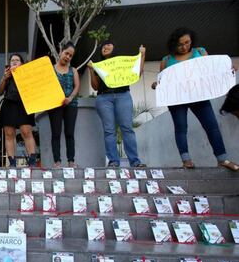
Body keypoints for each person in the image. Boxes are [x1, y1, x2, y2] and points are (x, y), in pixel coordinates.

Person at [153, 27, 238, 171]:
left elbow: (211, 72)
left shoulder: (200, 52)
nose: (184, 47)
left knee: (212, 126)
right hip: (177, 99)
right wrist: (157, 85)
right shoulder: (166, 60)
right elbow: (163, 81)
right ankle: (186, 161)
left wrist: (227, 71)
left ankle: (222, 159)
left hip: (200, 96)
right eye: (180, 45)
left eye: (187, 42)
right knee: (181, 128)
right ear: (174, 44)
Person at [88, 40, 146, 168]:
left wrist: (142, 56)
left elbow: (137, 73)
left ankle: (135, 161)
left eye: (108, 44)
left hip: (123, 95)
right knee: (109, 131)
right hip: (104, 97)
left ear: (115, 48)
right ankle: (113, 161)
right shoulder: (99, 65)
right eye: (103, 46)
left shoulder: (122, 62)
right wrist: (91, 71)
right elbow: (96, 86)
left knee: (127, 128)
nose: (105, 47)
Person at [0, 53, 37, 167]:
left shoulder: (27, 75)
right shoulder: (7, 76)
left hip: (24, 105)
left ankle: (32, 161)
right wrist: (5, 78)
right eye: (12, 60)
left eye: (17, 60)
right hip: (8, 105)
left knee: (26, 132)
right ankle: (12, 162)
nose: (14, 61)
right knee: (9, 134)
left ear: (22, 63)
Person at [48, 42, 80, 168]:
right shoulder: (50, 69)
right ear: (61, 51)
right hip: (54, 105)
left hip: (71, 105)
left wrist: (70, 98)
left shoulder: (73, 70)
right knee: (55, 133)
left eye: (71, 56)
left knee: (69, 133)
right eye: (66, 53)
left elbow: (77, 86)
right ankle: (57, 162)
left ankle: (71, 161)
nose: (68, 57)